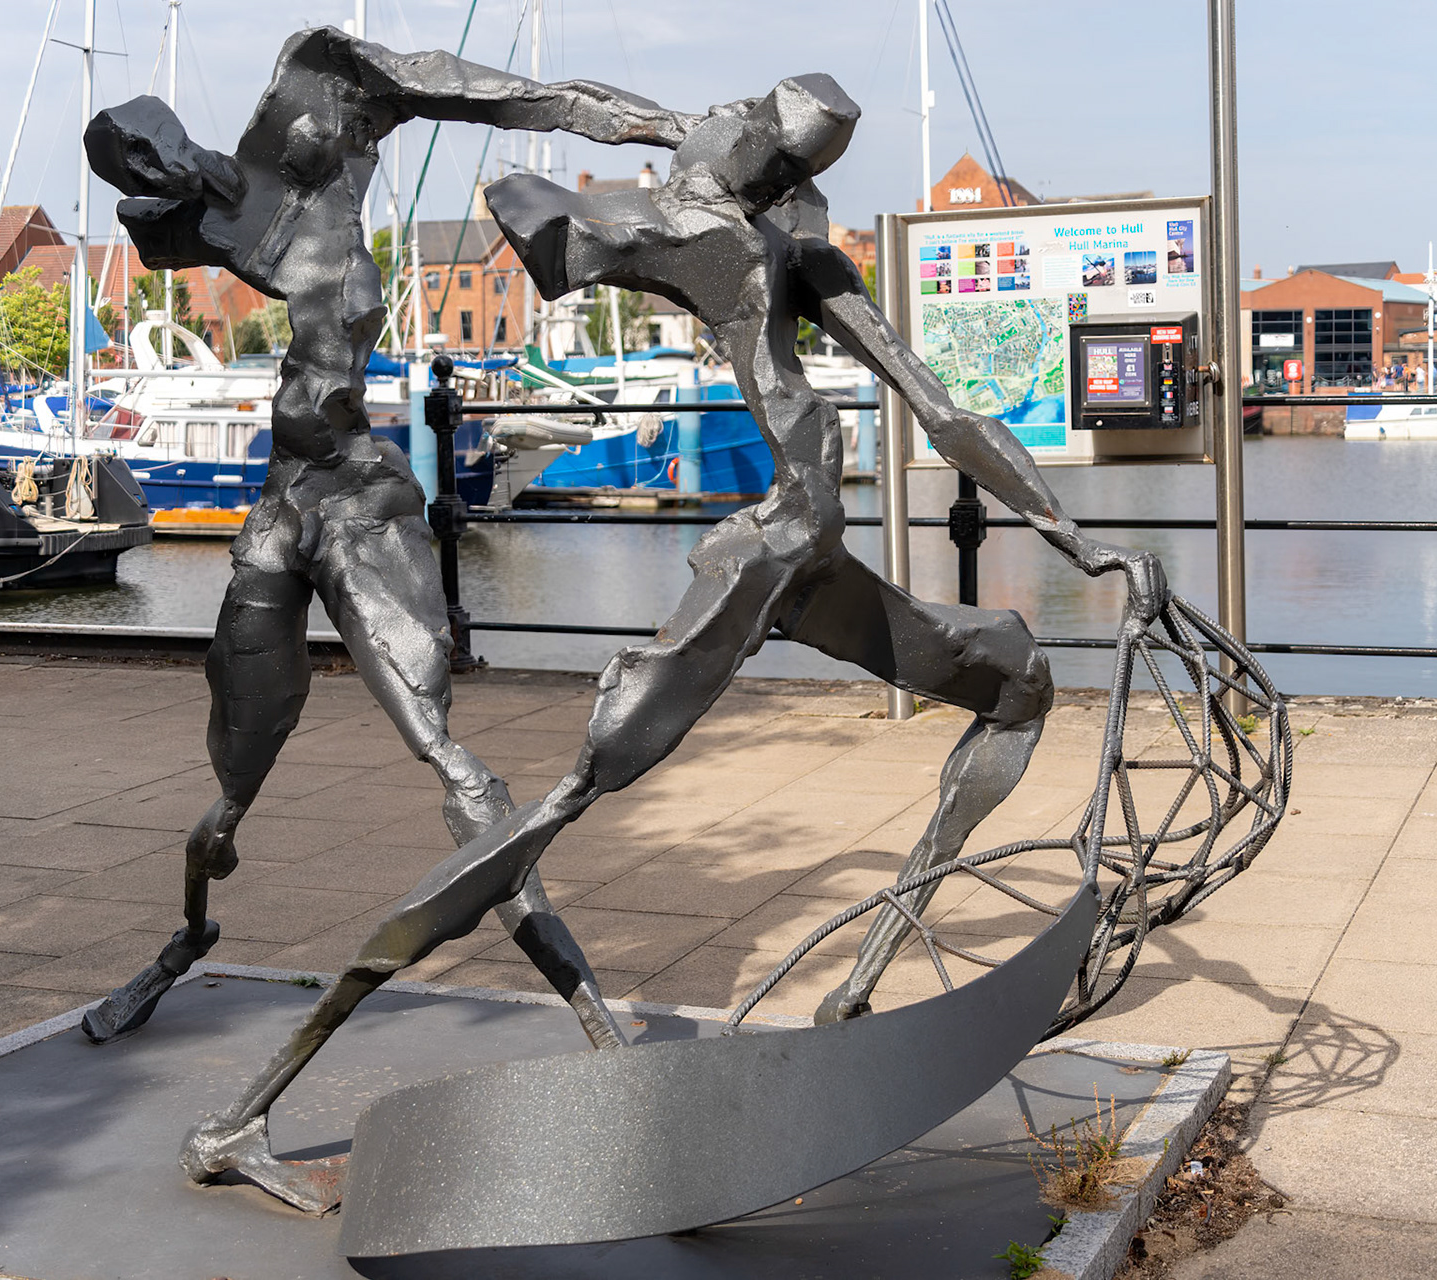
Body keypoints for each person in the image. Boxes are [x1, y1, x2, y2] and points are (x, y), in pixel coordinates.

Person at [116, 41, 1164, 1214]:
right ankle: (243, 1099)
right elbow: (544, 215)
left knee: (1017, 682)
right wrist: (596, 194)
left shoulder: (797, 250)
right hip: (763, 558)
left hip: (810, 553)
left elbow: (948, 411)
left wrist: (1079, 536)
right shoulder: (693, 234)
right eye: (770, 135)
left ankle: (855, 990)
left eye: (773, 139)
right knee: (521, 812)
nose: (752, 143)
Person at [75, 26, 697, 1056]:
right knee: (230, 790)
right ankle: (185, 936)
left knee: (452, 761)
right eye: (129, 167)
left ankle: (592, 1015)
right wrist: (157, 193)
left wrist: (657, 129)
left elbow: (489, 93)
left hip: (360, 497)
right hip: (281, 512)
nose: (149, 170)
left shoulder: (317, 160)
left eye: (150, 149)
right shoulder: (220, 225)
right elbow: (161, 220)